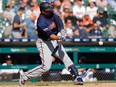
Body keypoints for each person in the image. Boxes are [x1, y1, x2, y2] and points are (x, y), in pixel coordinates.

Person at [19, 2, 83, 86]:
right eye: (47, 11)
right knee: (46, 67)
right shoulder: (41, 22)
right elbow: (51, 36)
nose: (50, 11)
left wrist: (62, 30)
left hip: (54, 41)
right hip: (44, 43)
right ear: (42, 11)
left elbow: (59, 20)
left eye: (50, 10)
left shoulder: (51, 13)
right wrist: (60, 37)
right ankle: (25, 76)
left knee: (66, 58)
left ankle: (76, 77)